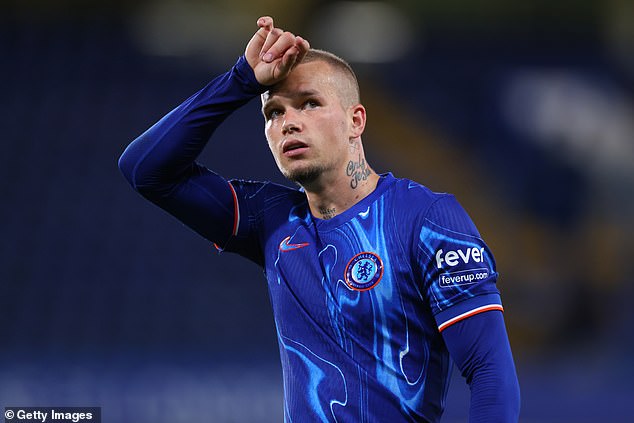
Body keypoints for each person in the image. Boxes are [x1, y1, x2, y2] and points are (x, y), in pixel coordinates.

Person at [118, 16, 520, 422]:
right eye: (273, 112)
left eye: (309, 103)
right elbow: (145, 170)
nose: (288, 123)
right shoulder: (270, 219)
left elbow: (490, 372)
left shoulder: (426, 219)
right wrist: (241, 80)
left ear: (355, 121)